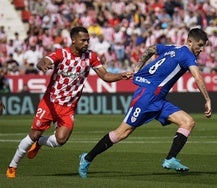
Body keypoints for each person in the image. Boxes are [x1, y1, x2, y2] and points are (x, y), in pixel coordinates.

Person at [78, 28, 212, 178]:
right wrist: (207, 99)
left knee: (188, 122)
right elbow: (198, 78)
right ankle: (87, 158)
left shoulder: (172, 48)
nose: (201, 49)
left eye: (203, 46)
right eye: (199, 45)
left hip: (158, 99)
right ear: (189, 41)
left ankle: (170, 159)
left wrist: (138, 67)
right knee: (121, 133)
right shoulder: (187, 55)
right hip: (146, 97)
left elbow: (151, 49)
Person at [6, 26, 133, 178]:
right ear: (74, 40)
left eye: (88, 40)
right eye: (83, 40)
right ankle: (12, 166)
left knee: (61, 140)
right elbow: (44, 60)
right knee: (33, 134)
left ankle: (40, 142)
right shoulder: (62, 53)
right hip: (50, 102)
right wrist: (42, 65)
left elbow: (105, 76)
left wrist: (121, 75)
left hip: (68, 107)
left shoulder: (91, 56)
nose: (86, 43)